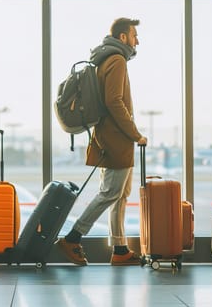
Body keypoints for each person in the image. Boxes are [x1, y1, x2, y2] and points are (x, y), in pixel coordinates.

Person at [57, 17, 147, 266]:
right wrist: (135, 133)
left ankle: (119, 250)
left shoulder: (103, 59)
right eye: (134, 35)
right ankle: (73, 238)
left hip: (110, 136)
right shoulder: (116, 60)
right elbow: (114, 102)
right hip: (116, 138)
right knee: (109, 193)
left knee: (119, 194)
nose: (137, 40)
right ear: (122, 37)